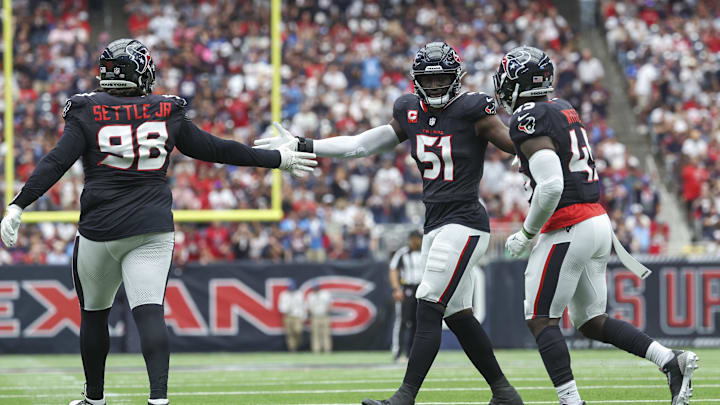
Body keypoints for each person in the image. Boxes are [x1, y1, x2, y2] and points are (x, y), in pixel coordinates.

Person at [0, 38, 316, 405]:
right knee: (149, 311)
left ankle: (95, 399)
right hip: (151, 227)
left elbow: (56, 161)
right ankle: (158, 399)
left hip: (100, 230)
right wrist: (276, 158)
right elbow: (216, 149)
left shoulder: (87, 109)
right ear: (140, 71)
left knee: (94, 314)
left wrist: (19, 204)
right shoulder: (165, 109)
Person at [256, 41, 523, 405]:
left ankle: (405, 396)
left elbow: (511, 141)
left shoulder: (474, 109)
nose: (434, 88)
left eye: (441, 80)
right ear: (416, 82)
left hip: (465, 221)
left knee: (428, 300)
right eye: (427, 82)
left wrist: (534, 146)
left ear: (456, 78)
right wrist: (306, 144)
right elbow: (362, 144)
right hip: (435, 223)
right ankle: (504, 393)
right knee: (458, 313)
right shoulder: (409, 110)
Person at [497, 45, 698, 405]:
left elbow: (552, 185)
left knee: (540, 318)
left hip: (567, 226)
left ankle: (571, 402)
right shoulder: (562, 108)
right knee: (591, 321)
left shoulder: (529, 116)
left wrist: (526, 233)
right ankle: (670, 360)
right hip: (596, 221)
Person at [389, 230, 424, 362]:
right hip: (407, 288)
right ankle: (397, 352)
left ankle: (411, 353)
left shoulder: (426, 252)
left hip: (421, 289)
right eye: (415, 239)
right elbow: (393, 269)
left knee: (418, 322)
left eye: (419, 239)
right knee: (402, 321)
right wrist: (396, 288)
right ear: (410, 239)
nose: (417, 242)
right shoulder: (402, 253)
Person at [278, 279, 306, 352]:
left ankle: (299, 343)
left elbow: (303, 306)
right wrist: (286, 308)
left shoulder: (299, 294)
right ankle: (293, 349)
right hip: (288, 316)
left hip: (297, 316)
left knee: (298, 330)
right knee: (290, 333)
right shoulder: (284, 295)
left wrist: (303, 316)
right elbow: (281, 307)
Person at [307, 281, 333, 353]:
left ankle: (327, 350)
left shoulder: (325, 294)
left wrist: (327, 310)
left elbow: (330, 304)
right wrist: (311, 313)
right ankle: (316, 350)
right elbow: (308, 307)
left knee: (326, 334)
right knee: (315, 334)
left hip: (324, 316)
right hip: (315, 317)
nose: (316, 289)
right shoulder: (311, 295)